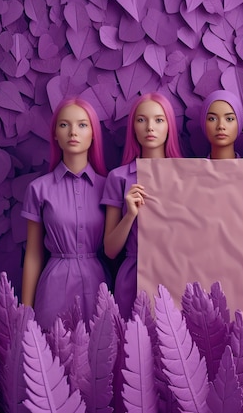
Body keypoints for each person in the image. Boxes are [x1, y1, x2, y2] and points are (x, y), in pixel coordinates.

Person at [21, 97, 108, 329]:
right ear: (55, 136)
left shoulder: (109, 187)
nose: (73, 132)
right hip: (53, 289)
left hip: (98, 285)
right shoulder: (38, 189)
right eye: (64, 125)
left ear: (93, 134)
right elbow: (33, 254)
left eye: (82, 124)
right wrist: (26, 311)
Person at [102, 92, 183, 319]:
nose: (150, 127)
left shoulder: (186, 175)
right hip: (132, 278)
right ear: (133, 128)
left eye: (159, 120)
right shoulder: (117, 177)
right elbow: (110, 250)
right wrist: (129, 215)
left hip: (176, 275)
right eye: (141, 120)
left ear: (169, 127)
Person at [200, 90, 243, 159]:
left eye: (229, 119)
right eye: (212, 119)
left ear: (239, 122)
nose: (221, 126)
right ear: (203, 122)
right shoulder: (194, 169)